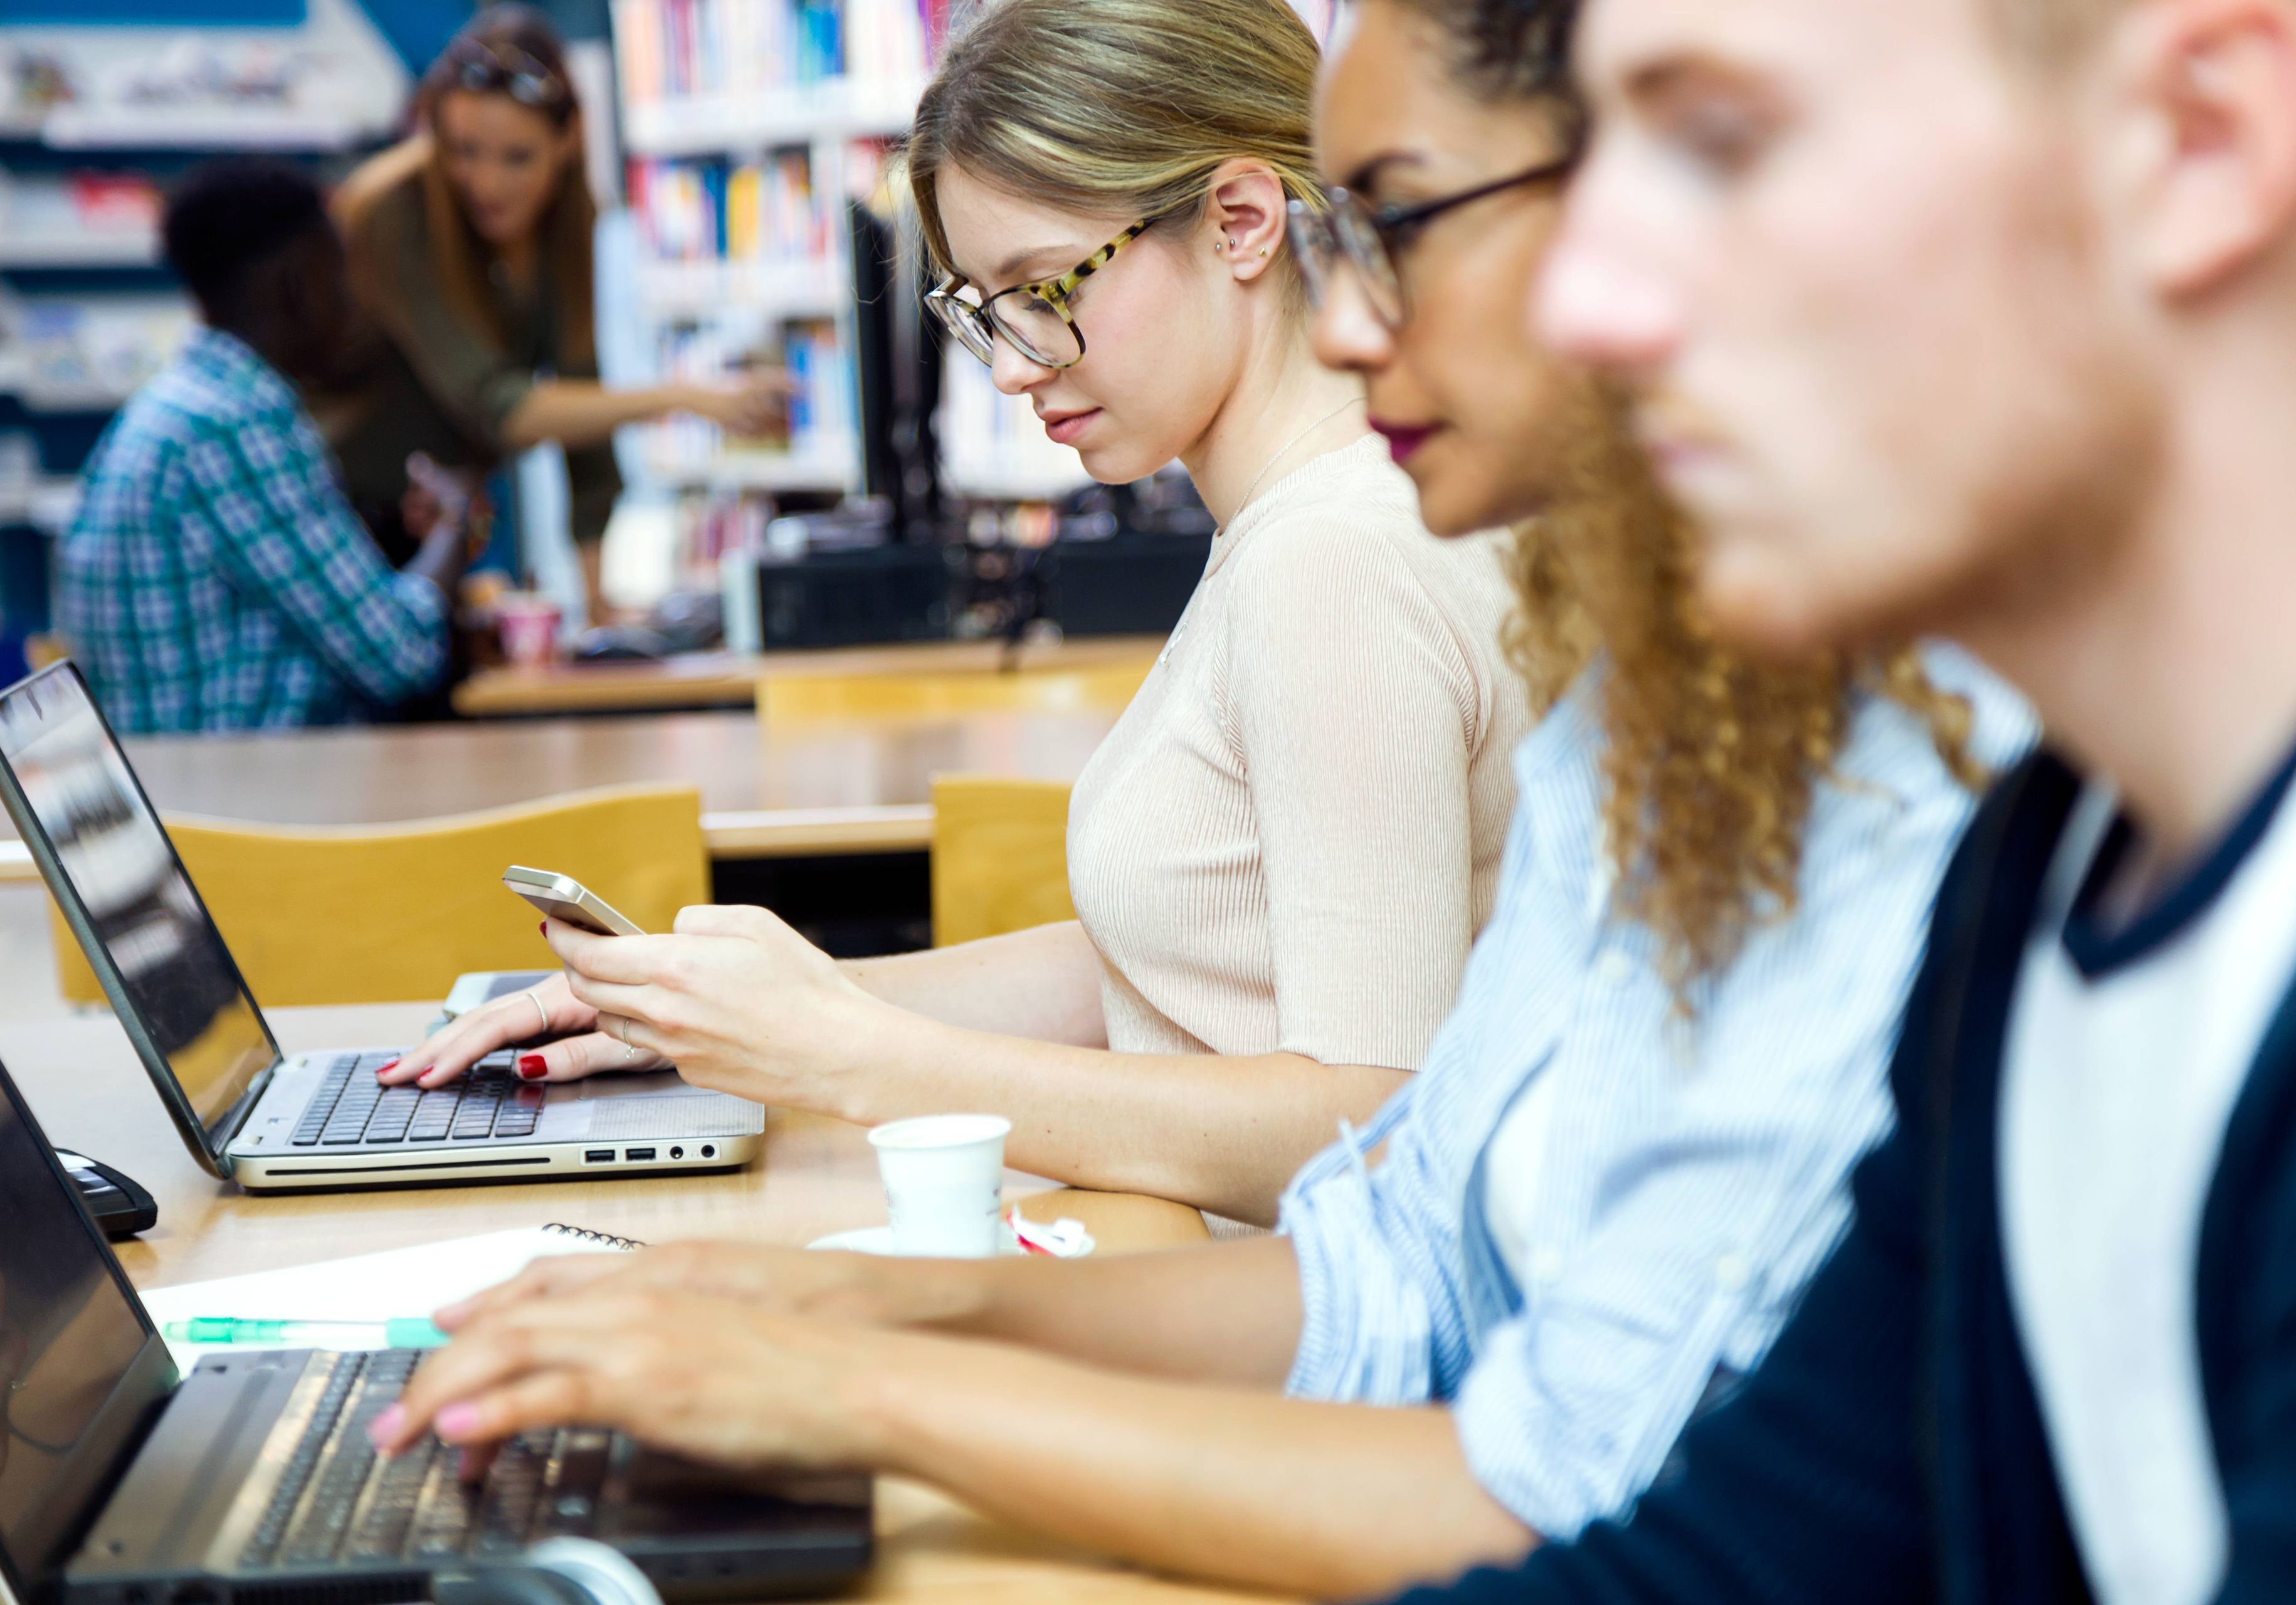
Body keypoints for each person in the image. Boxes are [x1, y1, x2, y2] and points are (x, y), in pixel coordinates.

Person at [362, 2, 2031, 1595]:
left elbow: (1448, 1280)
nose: (1355, 318)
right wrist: (815, 1231)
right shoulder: (1628, 709)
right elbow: (1371, 1215)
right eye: (983, 311)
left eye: (1393, 229)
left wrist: (857, 1169)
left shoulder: (1354, 557)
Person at [1377, 0, 2296, 1599]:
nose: (1582, 302)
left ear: (2201, 140)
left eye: (1720, 142)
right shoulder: (2044, 868)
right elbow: (1739, 1568)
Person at [384, 0, 1530, 1232]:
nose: (1014, 366)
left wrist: (848, 1057)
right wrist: (739, 1009)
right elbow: (1196, 961)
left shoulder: (1333, 554)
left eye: (1045, 289)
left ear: (1240, 221)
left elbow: (1367, 1126)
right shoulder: (1299, 517)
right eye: (983, 309)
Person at [324, 6, 787, 608]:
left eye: (516, 156)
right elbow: (501, 408)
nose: (485, 183)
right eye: (462, 150)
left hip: (432, 528)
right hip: (337, 528)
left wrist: (599, 612)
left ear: (567, 140)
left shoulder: (571, 218)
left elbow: (583, 424)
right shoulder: (390, 212)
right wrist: (685, 397)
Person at [54, 159, 471, 734]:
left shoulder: (183, 404)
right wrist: (453, 526)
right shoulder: (237, 426)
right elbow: (401, 655)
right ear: (297, 285)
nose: (355, 305)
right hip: (241, 786)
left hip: (203, 774)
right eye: (341, 277)